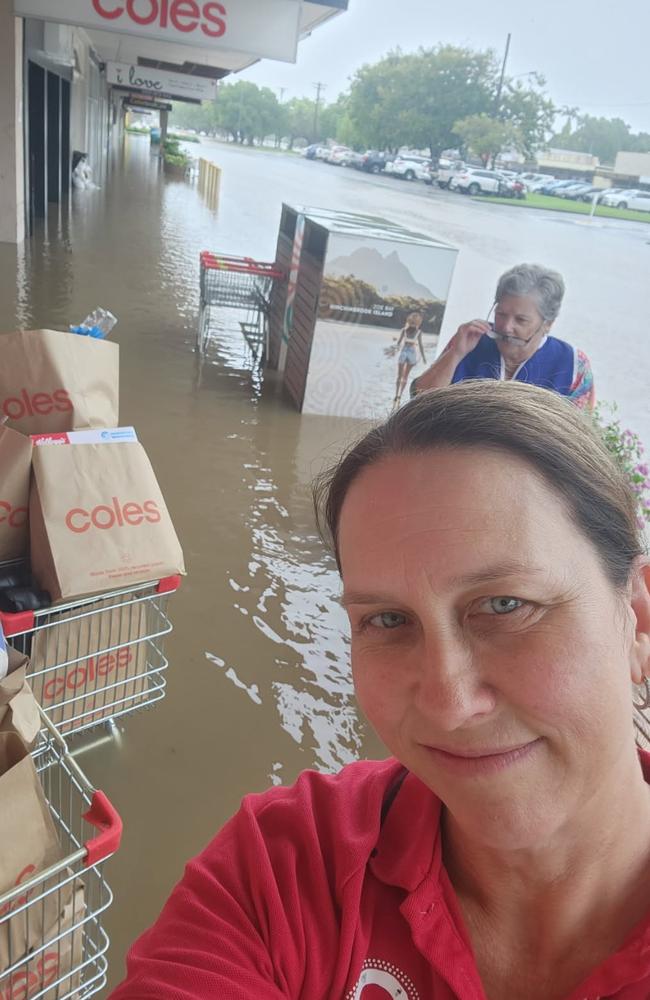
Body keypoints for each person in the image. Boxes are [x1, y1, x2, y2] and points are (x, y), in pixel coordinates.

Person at [108, 382, 650, 1000]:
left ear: (637, 616)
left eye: (505, 605)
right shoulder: (289, 868)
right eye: (388, 621)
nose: (447, 704)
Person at [411, 263, 595, 409]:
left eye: (521, 320)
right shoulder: (469, 340)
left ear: (548, 324)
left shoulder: (573, 365)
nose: (506, 327)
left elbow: (576, 437)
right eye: (501, 314)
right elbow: (419, 400)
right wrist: (455, 354)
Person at [389, 311, 426, 407]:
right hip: (405, 352)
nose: (413, 323)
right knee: (401, 376)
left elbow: (421, 345)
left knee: (404, 376)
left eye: (415, 322)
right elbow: (398, 344)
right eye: (413, 321)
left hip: (410, 353)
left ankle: (399, 395)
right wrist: (393, 351)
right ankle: (397, 394)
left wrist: (423, 357)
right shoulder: (404, 331)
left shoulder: (418, 332)